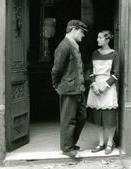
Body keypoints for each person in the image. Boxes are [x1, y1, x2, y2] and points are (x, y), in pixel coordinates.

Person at [51, 19, 88, 158]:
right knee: (68, 119)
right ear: (73, 29)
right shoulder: (64, 46)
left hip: (78, 88)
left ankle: (71, 143)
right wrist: (56, 85)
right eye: (81, 32)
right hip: (68, 88)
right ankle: (67, 148)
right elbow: (56, 69)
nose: (83, 35)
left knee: (82, 116)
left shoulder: (73, 45)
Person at [87, 30, 119, 155]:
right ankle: (101, 143)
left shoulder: (114, 54)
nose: (97, 40)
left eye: (100, 38)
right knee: (98, 118)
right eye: (97, 37)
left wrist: (105, 86)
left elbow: (116, 73)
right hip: (95, 87)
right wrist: (94, 84)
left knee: (109, 118)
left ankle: (110, 143)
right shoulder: (95, 53)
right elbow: (90, 70)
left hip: (108, 88)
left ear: (107, 40)